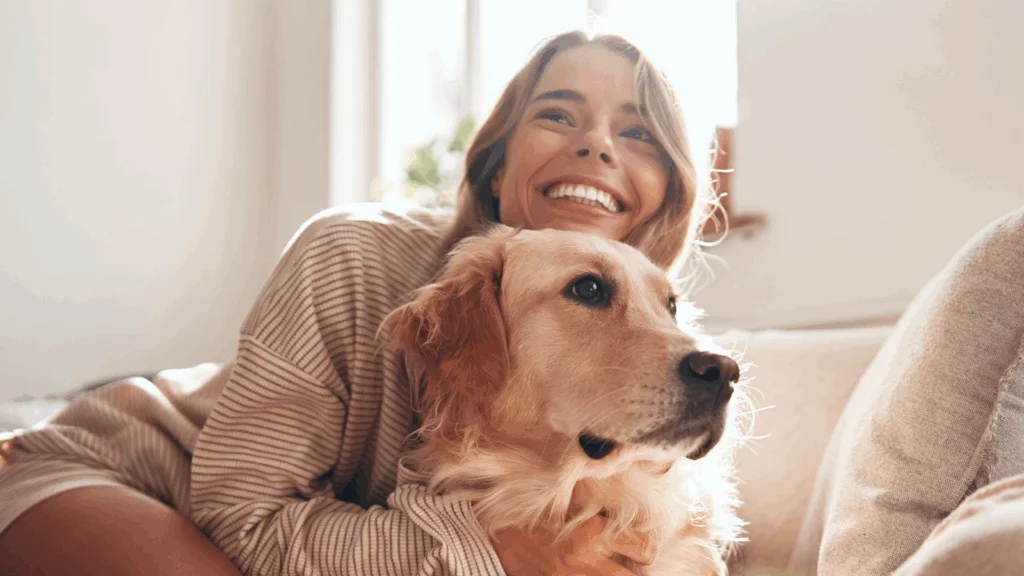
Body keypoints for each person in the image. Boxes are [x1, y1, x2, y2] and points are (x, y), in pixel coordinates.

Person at [0, 31, 714, 576]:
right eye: (559, 115)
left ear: (662, 204)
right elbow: (242, 517)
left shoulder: (650, 336)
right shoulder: (350, 253)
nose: (596, 146)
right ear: (497, 170)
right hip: (124, 475)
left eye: (637, 133)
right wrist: (492, 553)